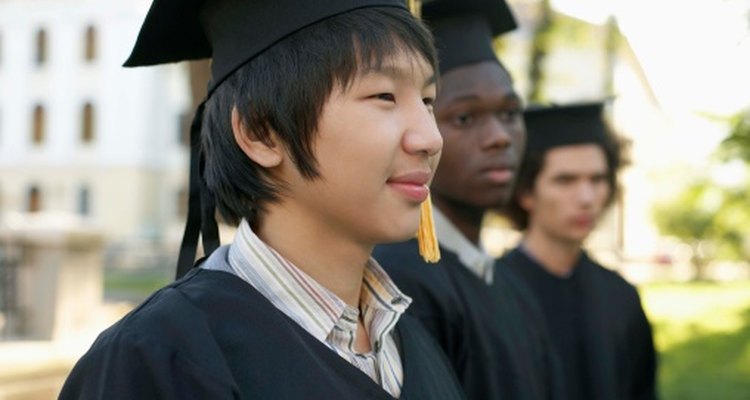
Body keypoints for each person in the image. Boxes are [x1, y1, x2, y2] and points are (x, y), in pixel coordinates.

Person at [59, 1, 467, 399]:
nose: (431, 138)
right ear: (261, 131)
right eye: (384, 97)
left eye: (428, 101)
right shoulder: (155, 361)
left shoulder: (412, 342)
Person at [374, 1, 564, 399]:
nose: (500, 136)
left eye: (510, 112)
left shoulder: (507, 282)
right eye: (464, 117)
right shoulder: (403, 283)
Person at [500, 102, 658, 400]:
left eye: (597, 179)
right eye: (565, 180)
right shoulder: (491, 294)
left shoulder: (620, 295)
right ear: (525, 192)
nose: (586, 197)